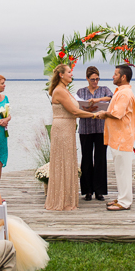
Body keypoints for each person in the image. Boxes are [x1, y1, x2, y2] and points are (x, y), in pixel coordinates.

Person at [45, 64, 97, 211]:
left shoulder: (65, 90)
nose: (71, 73)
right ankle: (61, 201)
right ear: (61, 75)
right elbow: (74, 111)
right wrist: (95, 115)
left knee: (68, 161)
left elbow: (77, 107)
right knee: (62, 161)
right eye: (69, 71)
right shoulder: (59, 91)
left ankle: (68, 199)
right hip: (62, 128)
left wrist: (90, 107)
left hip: (68, 127)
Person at [98, 64, 135, 212]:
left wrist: (103, 113)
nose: (112, 76)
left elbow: (117, 113)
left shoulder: (124, 94)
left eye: (115, 74)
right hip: (118, 137)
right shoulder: (121, 92)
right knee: (120, 170)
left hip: (122, 138)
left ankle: (125, 201)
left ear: (123, 77)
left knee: (123, 171)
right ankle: (122, 197)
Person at [76, 66, 113, 202]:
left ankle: (99, 191)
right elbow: (76, 105)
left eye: (97, 79)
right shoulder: (81, 91)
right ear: (87, 78)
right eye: (92, 79)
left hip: (101, 129)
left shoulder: (104, 89)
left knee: (100, 159)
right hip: (85, 129)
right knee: (86, 159)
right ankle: (87, 191)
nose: (95, 82)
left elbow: (111, 97)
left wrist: (97, 101)